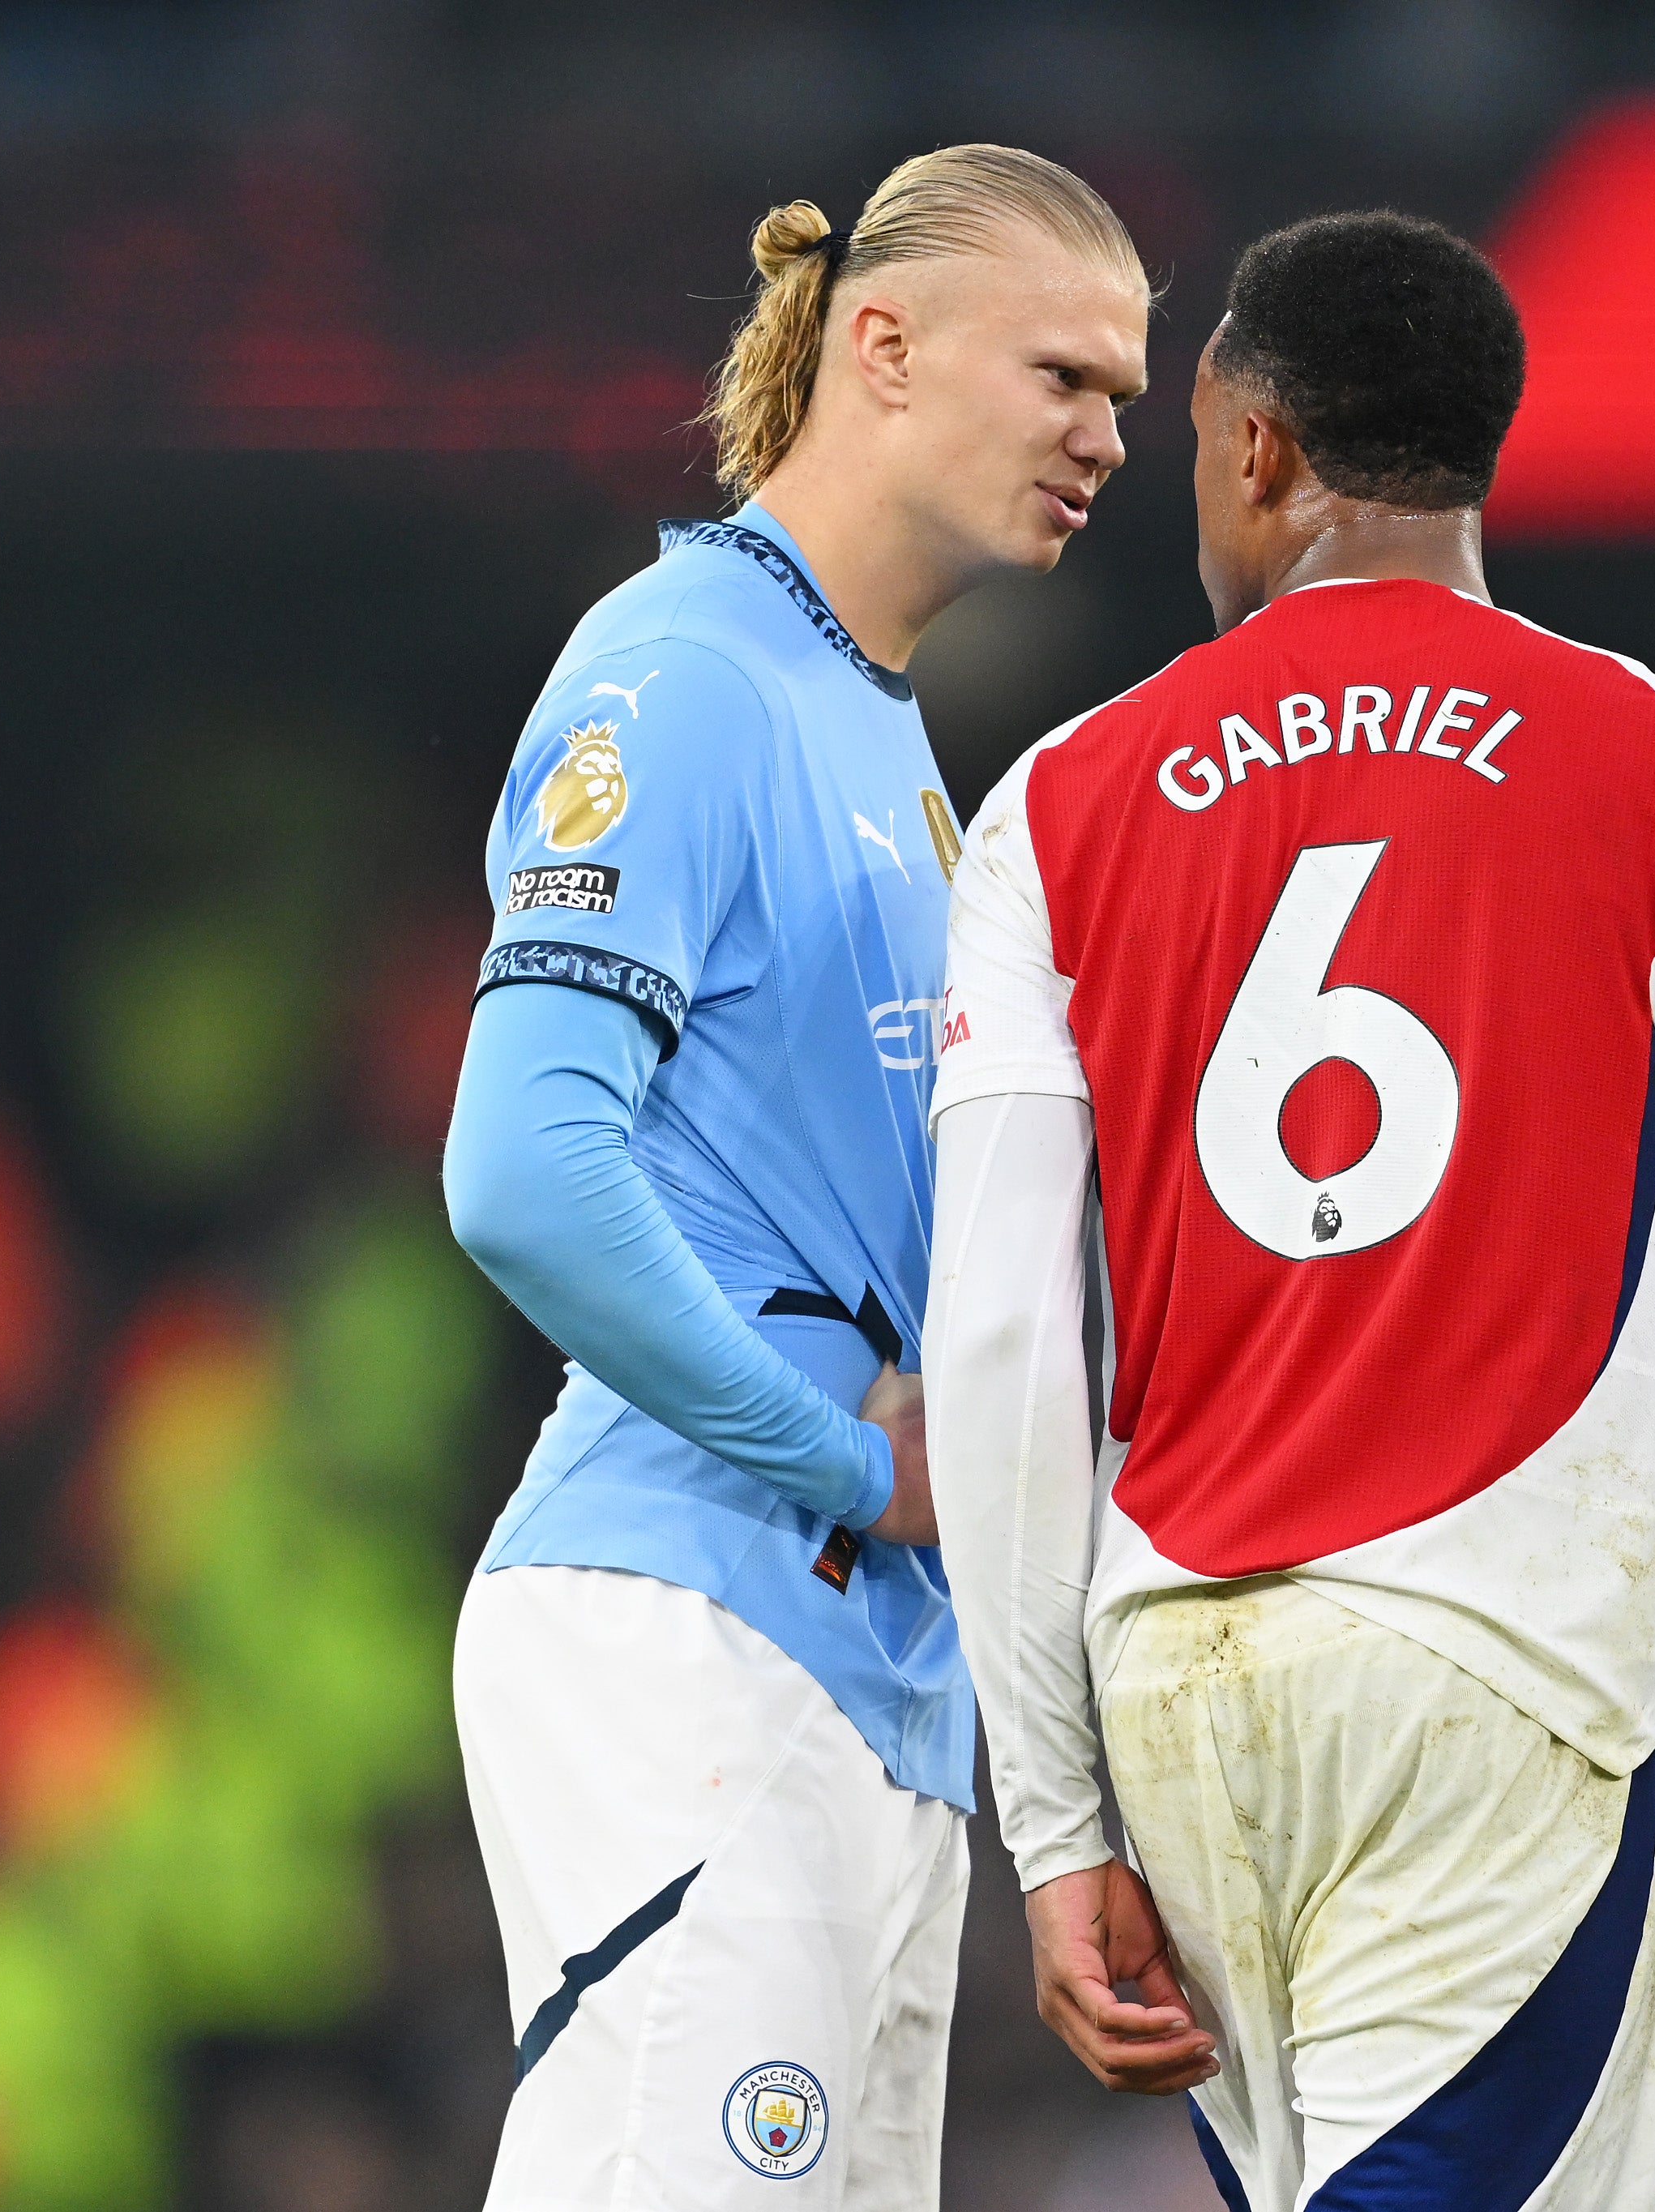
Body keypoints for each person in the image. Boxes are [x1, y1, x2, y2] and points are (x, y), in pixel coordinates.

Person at [922, 210, 1655, 2210]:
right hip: (1492, 1685)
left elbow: (1007, 1340)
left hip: (1175, 1688)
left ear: (1267, 450)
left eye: (1197, 440)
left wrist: (1050, 1828)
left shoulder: (1052, 806)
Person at [441, 148, 1148, 2210]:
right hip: (698, 1629)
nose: (1110, 436)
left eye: (1125, 393)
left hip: (875, 1703)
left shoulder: (884, 741)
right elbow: (523, 1169)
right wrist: (845, 1465)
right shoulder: (680, 669)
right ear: (883, 343)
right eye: (1069, 377)